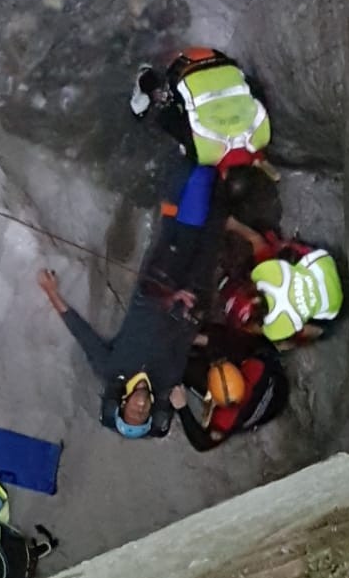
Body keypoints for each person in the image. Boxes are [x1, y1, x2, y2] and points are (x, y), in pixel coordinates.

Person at [37, 165, 227, 439]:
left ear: (123, 404)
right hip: (192, 296)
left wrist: (51, 292)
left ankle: (199, 166)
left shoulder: (110, 369)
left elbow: (84, 336)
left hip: (157, 287)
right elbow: (183, 342)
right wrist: (190, 319)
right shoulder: (168, 380)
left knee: (184, 233)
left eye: (133, 412)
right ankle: (213, 182)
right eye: (144, 413)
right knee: (208, 239)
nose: (140, 406)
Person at [131, 47, 274, 178]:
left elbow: (257, 92)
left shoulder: (263, 135)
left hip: (221, 60)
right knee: (165, 104)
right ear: (223, 175)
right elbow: (168, 118)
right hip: (183, 69)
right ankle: (146, 78)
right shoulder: (204, 152)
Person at [220, 215, 344, 349]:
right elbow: (258, 241)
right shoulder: (262, 273)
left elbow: (314, 332)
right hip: (325, 263)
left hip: (335, 304)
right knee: (282, 252)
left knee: (298, 335)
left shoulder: (274, 331)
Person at [170, 325, 289, 452]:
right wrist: (203, 339)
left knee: (187, 370)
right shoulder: (257, 367)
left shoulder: (225, 420)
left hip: (270, 401)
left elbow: (202, 443)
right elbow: (249, 344)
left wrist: (182, 407)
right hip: (276, 385)